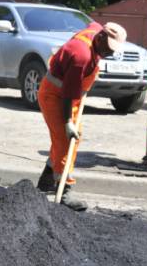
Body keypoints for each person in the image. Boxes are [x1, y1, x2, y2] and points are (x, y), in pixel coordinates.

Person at [35, 21, 127, 210]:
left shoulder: (94, 30)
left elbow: (92, 21)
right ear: (101, 37)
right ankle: (65, 189)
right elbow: (68, 94)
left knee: (70, 139)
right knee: (65, 140)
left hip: (69, 96)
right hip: (55, 96)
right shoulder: (81, 56)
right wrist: (68, 121)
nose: (109, 53)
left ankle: (46, 180)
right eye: (108, 49)